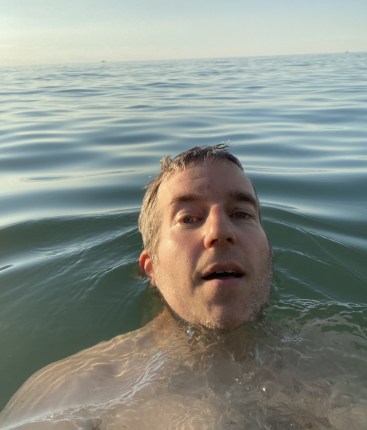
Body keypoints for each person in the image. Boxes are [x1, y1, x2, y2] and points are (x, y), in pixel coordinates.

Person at [0, 145, 363, 429]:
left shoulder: (345, 360)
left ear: (268, 251)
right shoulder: (78, 392)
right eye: (189, 218)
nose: (220, 231)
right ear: (151, 267)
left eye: (241, 214)